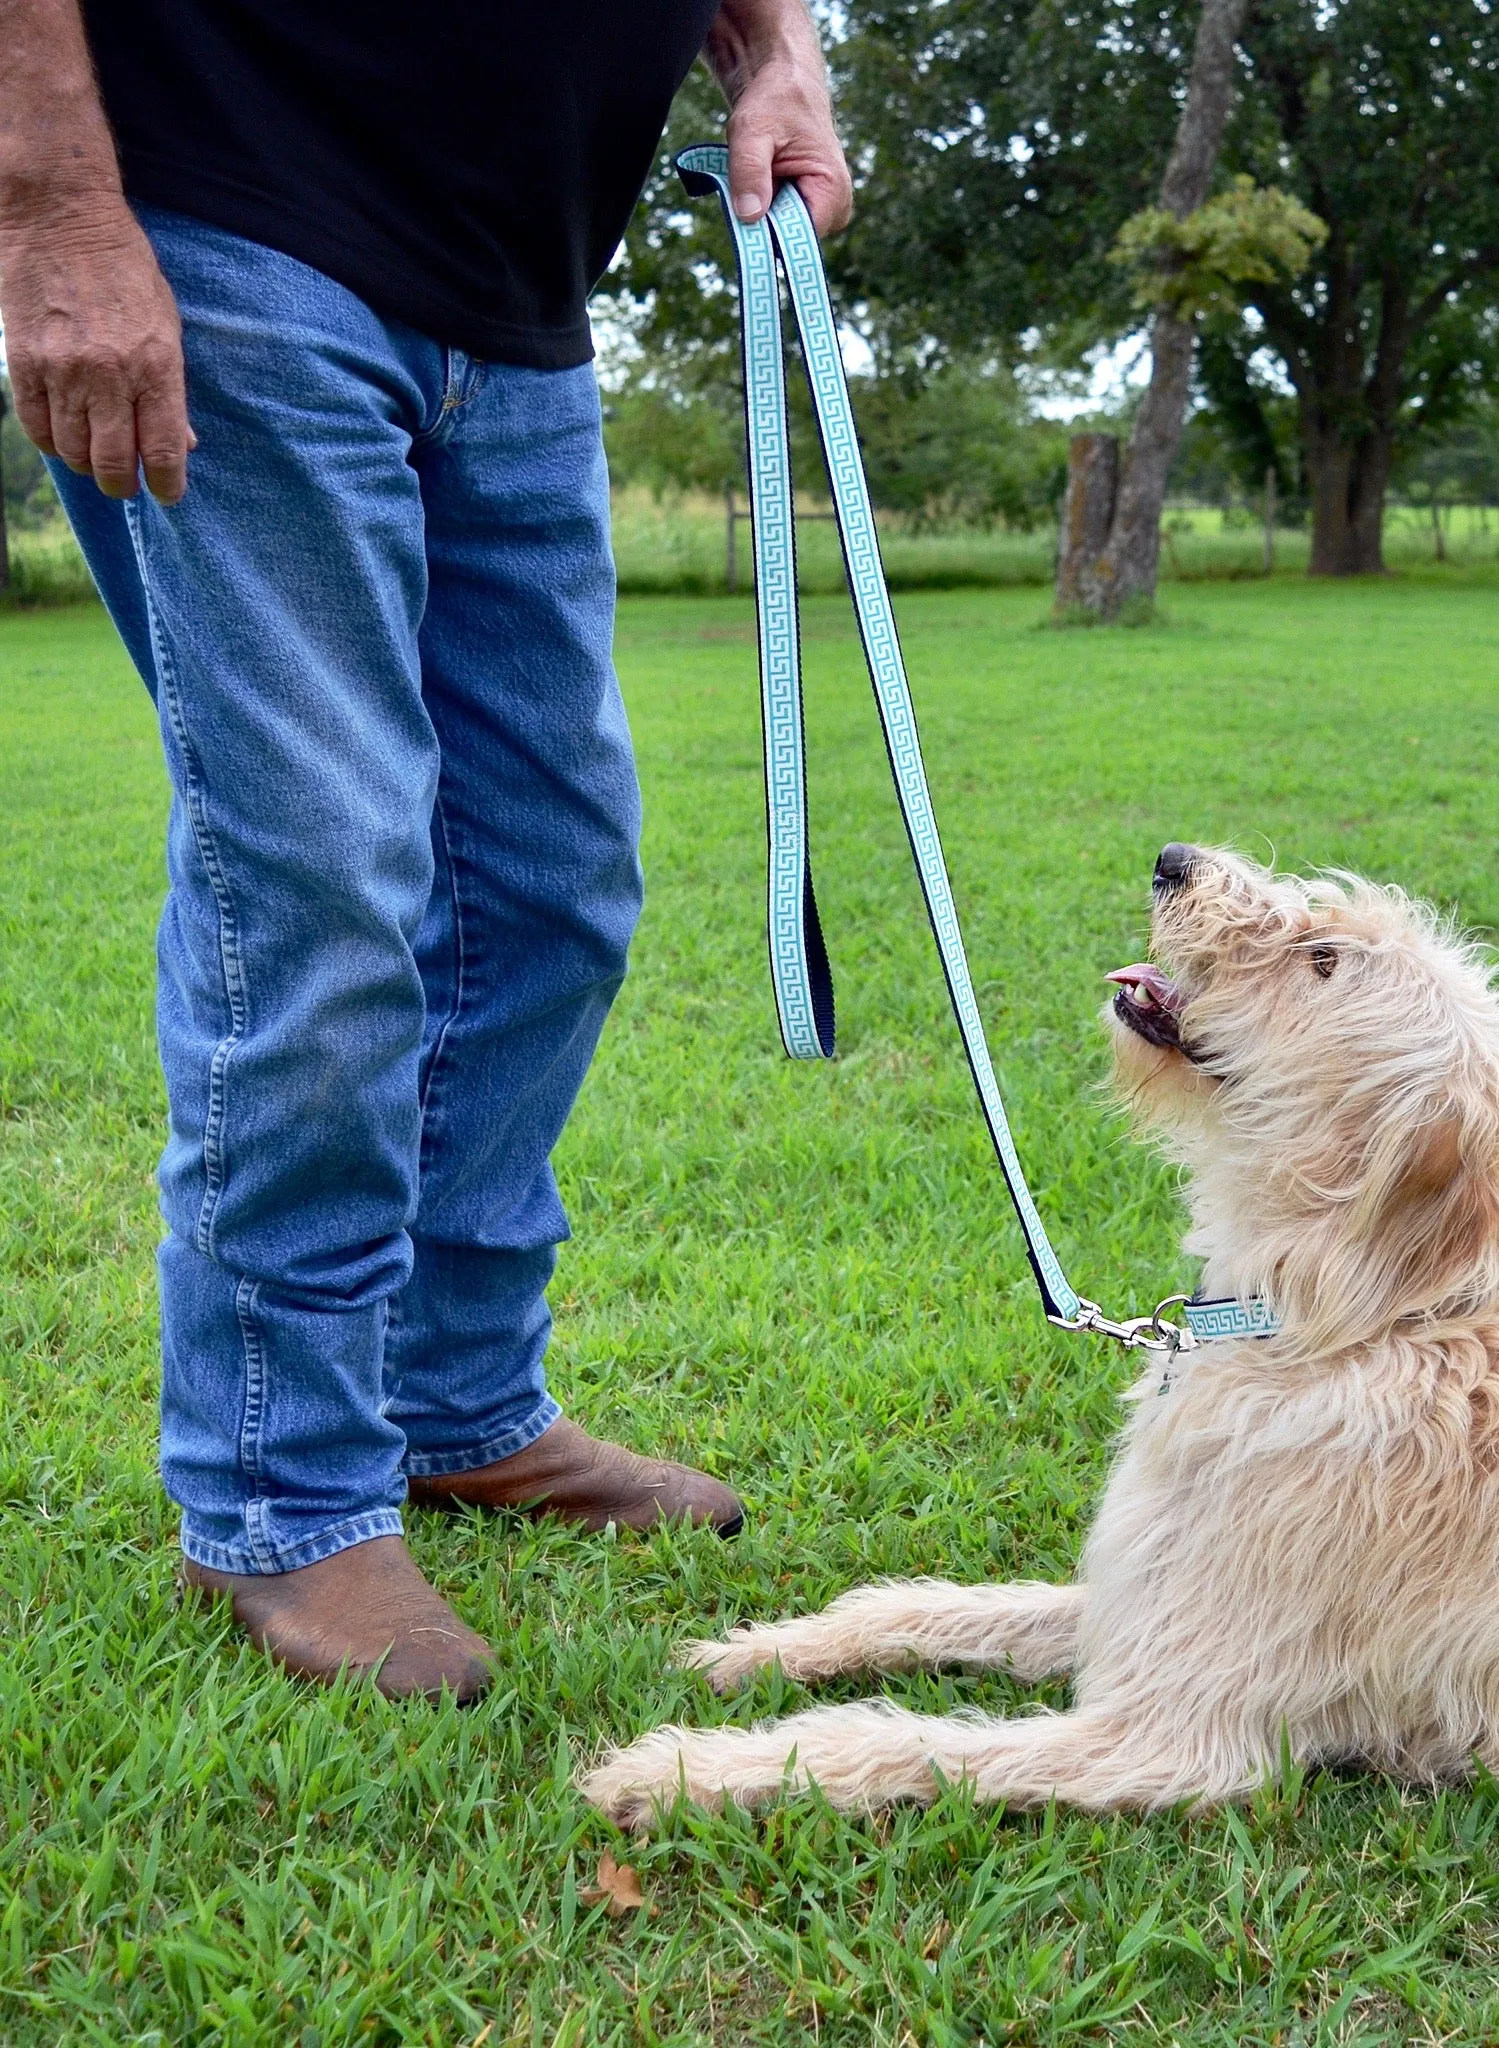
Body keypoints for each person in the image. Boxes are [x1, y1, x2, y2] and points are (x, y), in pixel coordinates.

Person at [0, 0, 852, 1700]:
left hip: (521, 285)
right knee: (326, 875)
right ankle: (284, 1487)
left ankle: (458, 1399)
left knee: (551, 880)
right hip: (232, 220)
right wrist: (49, 208)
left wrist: (777, 49)